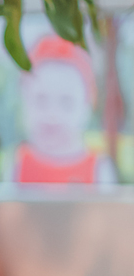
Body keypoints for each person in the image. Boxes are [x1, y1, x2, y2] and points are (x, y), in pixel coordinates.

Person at [14, 35, 115, 185]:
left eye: (66, 102)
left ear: (87, 106)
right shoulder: (18, 164)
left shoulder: (100, 169)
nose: (52, 115)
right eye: (41, 100)